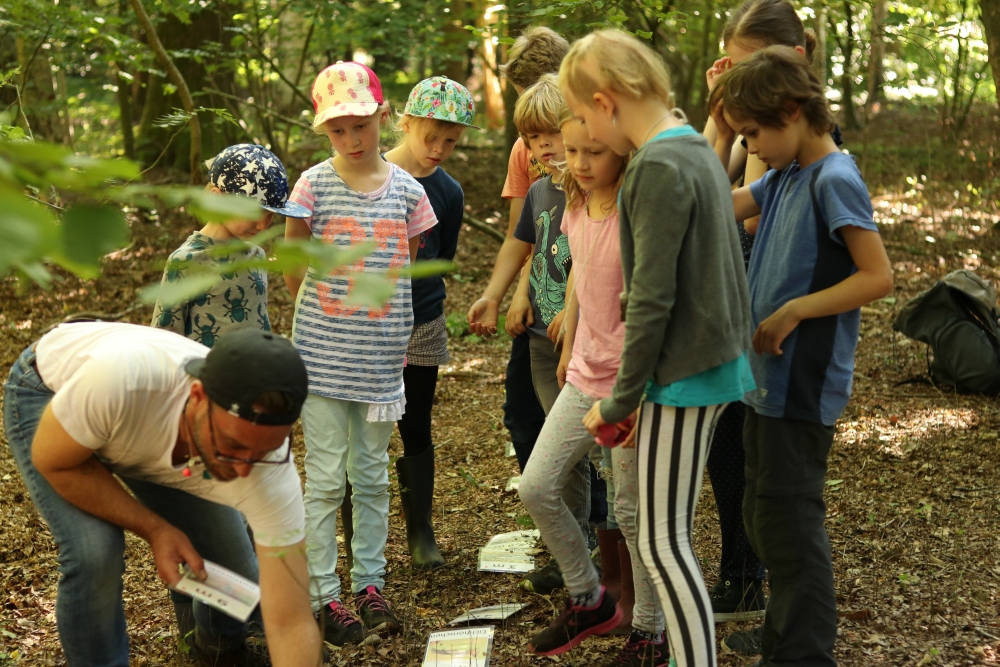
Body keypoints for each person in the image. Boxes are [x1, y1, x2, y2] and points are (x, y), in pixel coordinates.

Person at [560, 29, 756, 667]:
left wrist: (623, 397)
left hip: (686, 374)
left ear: (606, 100)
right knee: (664, 536)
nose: (589, 133)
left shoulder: (659, 164)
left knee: (664, 541)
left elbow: (651, 301)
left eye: (587, 116)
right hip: (701, 367)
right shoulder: (693, 144)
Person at [710, 46, 893, 667]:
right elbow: (724, 204)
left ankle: (807, 654)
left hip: (802, 385)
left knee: (790, 527)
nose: (751, 146)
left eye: (755, 132)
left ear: (791, 112)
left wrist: (795, 309)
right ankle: (784, 644)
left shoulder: (834, 177)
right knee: (764, 517)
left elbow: (877, 276)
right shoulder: (784, 173)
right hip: (766, 382)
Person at [2, 323, 322, 667]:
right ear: (198, 398)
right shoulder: (120, 381)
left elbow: (291, 620)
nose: (244, 471)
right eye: (233, 446)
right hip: (52, 395)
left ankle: (218, 651)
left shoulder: (272, 472)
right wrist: (155, 529)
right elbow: (57, 464)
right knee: (95, 552)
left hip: (147, 438)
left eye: (263, 453)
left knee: (239, 570)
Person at [284, 61, 438, 647]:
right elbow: (294, 257)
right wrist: (327, 314)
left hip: (380, 363)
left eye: (360, 126)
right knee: (325, 480)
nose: (351, 140)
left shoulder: (408, 191)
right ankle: (325, 594)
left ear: (382, 116)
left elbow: (409, 261)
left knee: (371, 476)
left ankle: (369, 584)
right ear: (326, 132)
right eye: (338, 130)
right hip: (322, 360)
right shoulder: (312, 185)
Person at [519, 109, 669, 665]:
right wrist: (569, 342)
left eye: (594, 153)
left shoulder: (636, 205)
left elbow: (653, 298)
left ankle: (650, 632)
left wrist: (631, 387)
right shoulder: (576, 200)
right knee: (537, 485)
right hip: (584, 372)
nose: (580, 163)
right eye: (573, 151)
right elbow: (580, 270)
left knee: (631, 511)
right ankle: (587, 596)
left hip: (632, 382)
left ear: (622, 152)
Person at [383, 76, 479, 570]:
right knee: (365, 432)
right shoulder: (370, 177)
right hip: (368, 324)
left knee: (414, 420)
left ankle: (421, 529)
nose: (440, 149)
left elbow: (444, 255)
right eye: (431, 137)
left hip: (422, 319)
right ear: (405, 124)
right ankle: (366, 536)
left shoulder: (449, 192)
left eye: (452, 141)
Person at [468, 26, 567, 473]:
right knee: (524, 414)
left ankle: (600, 527)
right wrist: (510, 293)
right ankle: (558, 516)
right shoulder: (525, 152)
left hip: (582, 317)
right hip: (541, 307)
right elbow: (524, 236)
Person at [151, 144, 310, 345]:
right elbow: (164, 334)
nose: (263, 225)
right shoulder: (185, 261)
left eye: (270, 215)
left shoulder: (257, 256)